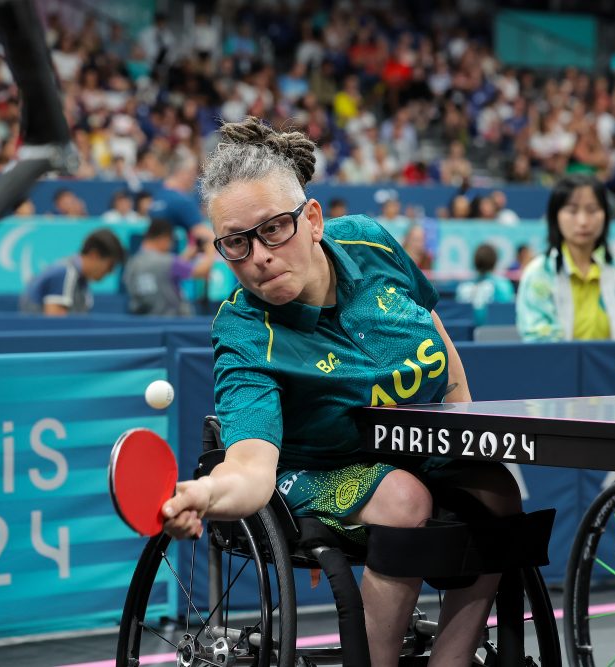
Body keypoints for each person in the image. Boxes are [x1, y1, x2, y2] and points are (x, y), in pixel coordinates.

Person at [159, 117, 520, 666]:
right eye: (235, 242)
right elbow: (251, 465)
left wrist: (461, 421)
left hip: (413, 450)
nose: (258, 256)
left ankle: (452, 659)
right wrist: (207, 495)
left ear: (312, 220)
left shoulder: (370, 242)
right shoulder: (245, 332)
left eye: (274, 228)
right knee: (403, 498)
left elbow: (434, 330)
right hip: (310, 473)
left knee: (498, 490)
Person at [516, 174, 615, 342]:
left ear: (606, 215)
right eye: (572, 210)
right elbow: (536, 338)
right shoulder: (538, 273)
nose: (583, 221)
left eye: (592, 210)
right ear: (555, 216)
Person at [20, 228, 125, 315]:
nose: (110, 272)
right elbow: (55, 327)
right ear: (94, 255)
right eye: (110, 266)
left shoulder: (82, 281)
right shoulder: (65, 273)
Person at [123, 218, 216, 315]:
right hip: (172, 323)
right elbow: (202, 271)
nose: (170, 245)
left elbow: (167, 271)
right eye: (170, 241)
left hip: (142, 322)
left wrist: (189, 253)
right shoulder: (168, 261)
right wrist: (211, 248)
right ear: (163, 238)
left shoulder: (132, 263)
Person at [454, 243, 516, 325]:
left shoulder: (462, 287)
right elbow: (507, 314)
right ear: (495, 261)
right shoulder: (503, 285)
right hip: (495, 334)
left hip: (464, 335)